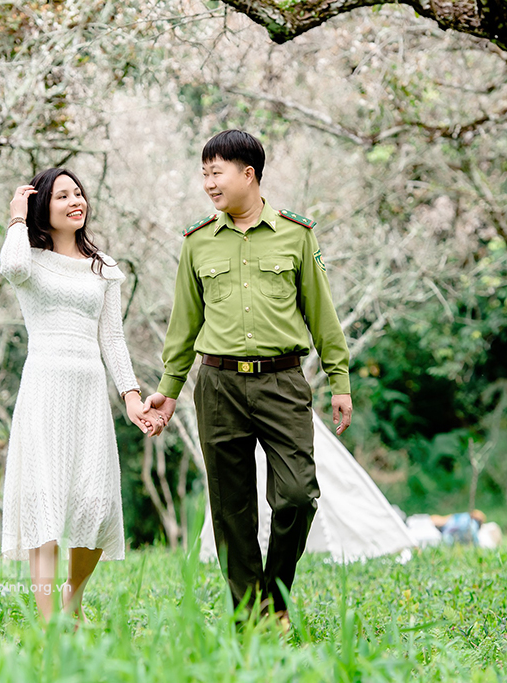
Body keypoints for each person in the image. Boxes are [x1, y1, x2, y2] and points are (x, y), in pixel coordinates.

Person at [143, 130, 353, 627]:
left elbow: (321, 312)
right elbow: (184, 323)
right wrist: (168, 392)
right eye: (204, 174)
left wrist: (338, 378)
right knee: (231, 510)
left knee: (298, 496)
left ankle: (276, 593)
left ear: (248, 174)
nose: (209, 183)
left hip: (282, 382)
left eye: (216, 172)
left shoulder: (296, 235)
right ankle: (251, 612)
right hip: (216, 386)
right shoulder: (197, 243)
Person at [0, 168, 160, 623]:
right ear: (41, 207)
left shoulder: (102, 267)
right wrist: (15, 217)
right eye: (62, 195)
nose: (76, 200)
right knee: (44, 501)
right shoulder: (27, 256)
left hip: (88, 391)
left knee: (95, 500)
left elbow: (113, 339)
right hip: (45, 386)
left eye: (79, 193)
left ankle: (73, 600)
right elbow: (10, 269)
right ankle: (50, 621)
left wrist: (131, 396)